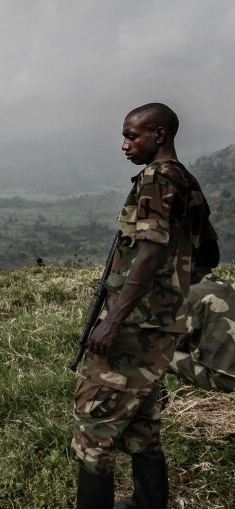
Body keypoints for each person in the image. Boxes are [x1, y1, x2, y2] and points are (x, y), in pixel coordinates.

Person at [71, 103, 218, 509]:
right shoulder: (186, 180)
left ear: (159, 135)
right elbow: (210, 252)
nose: (124, 144)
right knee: (142, 424)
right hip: (163, 326)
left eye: (132, 136)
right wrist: (173, 293)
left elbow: (150, 253)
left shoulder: (155, 178)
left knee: (94, 429)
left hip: (133, 325)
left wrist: (114, 320)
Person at [167, 246, 235, 393]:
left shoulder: (194, 293)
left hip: (223, 381)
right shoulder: (231, 287)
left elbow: (174, 341)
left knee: (158, 351)